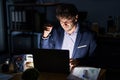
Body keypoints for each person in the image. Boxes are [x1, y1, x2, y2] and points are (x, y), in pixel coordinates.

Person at [40, 3, 97, 71]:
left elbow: (95, 60)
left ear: (76, 18)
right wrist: (45, 36)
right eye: (61, 21)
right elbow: (46, 52)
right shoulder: (56, 32)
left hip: (78, 72)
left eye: (67, 20)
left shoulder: (89, 35)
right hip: (58, 70)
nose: (64, 24)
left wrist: (79, 62)